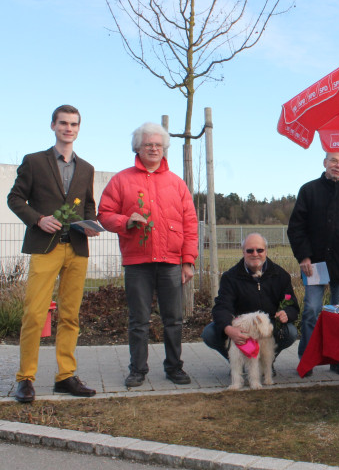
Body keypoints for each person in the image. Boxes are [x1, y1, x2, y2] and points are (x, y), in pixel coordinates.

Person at [7, 104, 100, 402]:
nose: (68, 128)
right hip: (44, 248)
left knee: (71, 316)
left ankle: (65, 377)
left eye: (73, 124)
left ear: (79, 129)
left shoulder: (86, 168)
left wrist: (90, 224)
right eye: (63, 123)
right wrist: (38, 218)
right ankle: (25, 378)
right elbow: (15, 198)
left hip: (76, 248)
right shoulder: (34, 162)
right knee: (34, 314)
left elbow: (88, 206)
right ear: (53, 126)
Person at [98, 122, 198, 388]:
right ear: (137, 148)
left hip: (170, 262)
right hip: (137, 262)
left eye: (158, 145)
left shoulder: (177, 183)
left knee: (173, 319)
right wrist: (124, 221)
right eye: (148, 144)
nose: (153, 149)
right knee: (138, 320)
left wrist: (188, 261)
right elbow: (105, 214)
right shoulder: (121, 180)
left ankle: (174, 368)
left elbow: (190, 224)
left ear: (164, 149)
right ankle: (137, 370)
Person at [287, 152, 339, 371]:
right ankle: (307, 360)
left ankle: (338, 361)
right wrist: (304, 256)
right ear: (324, 162)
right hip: (314, 263)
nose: (338, 165)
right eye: (334, 161)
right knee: (311, 311)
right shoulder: (309, 190)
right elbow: (296, 227)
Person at [202, 233, 299, 371]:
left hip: (268, 328)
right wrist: (228, 329)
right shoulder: (230, 277)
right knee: (209, 333)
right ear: (243, 252)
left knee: (291, 332)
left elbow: (292, 305)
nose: (255, 254)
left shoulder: (280, 275)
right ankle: (238, 364)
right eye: (250, 250)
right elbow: (222, 307)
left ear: (266, 251)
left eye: (260, 250)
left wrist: (287, 313)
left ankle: (266, 362)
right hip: (242, 329)